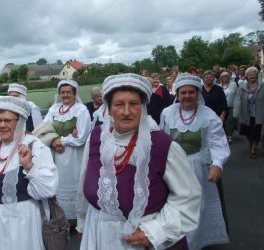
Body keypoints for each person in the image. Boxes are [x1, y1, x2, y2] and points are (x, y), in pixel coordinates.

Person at [76, 73, 201, 249]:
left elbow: (188, 197)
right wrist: (81, 221)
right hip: (97, 232)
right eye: (119, 104)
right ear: (109, 108)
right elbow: (84, 179)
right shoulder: (97, 136)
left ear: (143, 107)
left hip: (141, 239)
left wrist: (154, 232)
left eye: (134, 104)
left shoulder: (161, 145)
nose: (126, 111)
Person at [0, 96, 58, 250]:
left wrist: (29, 167)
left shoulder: (34, 147)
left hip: (24, 223)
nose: (1, 125)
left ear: (20, 122)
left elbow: (48, 189)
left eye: (7, 120)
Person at [160, 73, 230, 249]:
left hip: (199, 168)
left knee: (198, 207)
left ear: (198, 94)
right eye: (183, 92)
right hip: (174, 168)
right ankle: (177, 240)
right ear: (177, 94)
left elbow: (218, 143)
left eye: (191, 92)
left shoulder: (209, 115)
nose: (187, 96)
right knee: (174, 205)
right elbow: (160, 138)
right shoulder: (167, 113)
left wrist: (217, 164)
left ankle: (197, 241)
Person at [43, 80, 91, 220]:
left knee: (75, 182)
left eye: (68, 92)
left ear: (74, 94)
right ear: (59, 94)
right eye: (62, 92)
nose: (65, 95)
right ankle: (62, 218)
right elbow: (44, 128)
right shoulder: (53, 109)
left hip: (75, 157)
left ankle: (78, 219)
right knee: (59, 184)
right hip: (57, 156)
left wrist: (62, 140)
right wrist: (53, 142)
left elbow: (82, 137)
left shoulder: (81, 110)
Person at [234, 66, 264, 158]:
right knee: (248, 132)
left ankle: (254, 149)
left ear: (257, 75)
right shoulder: (242, 87)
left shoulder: (262, 86)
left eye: (254, 74)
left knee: (257, 132)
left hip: (259, 113)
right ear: (247, 76)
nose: (252, 76)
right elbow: (238, 100)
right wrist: (236, 112)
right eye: (250, 75)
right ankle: (251, 143)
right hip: (246, 113)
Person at [218, 71, 238, 144]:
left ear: (229, 77)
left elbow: (237, 95)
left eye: (226, 76)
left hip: (231, 105)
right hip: (222, 107)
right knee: (223, 121)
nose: (224, 78)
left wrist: (237, 104)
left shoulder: (233, 84)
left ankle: (230, 136)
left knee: (230, 120)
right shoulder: (219, 86)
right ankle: (223, 136)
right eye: (223, 77)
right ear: (221, 78)